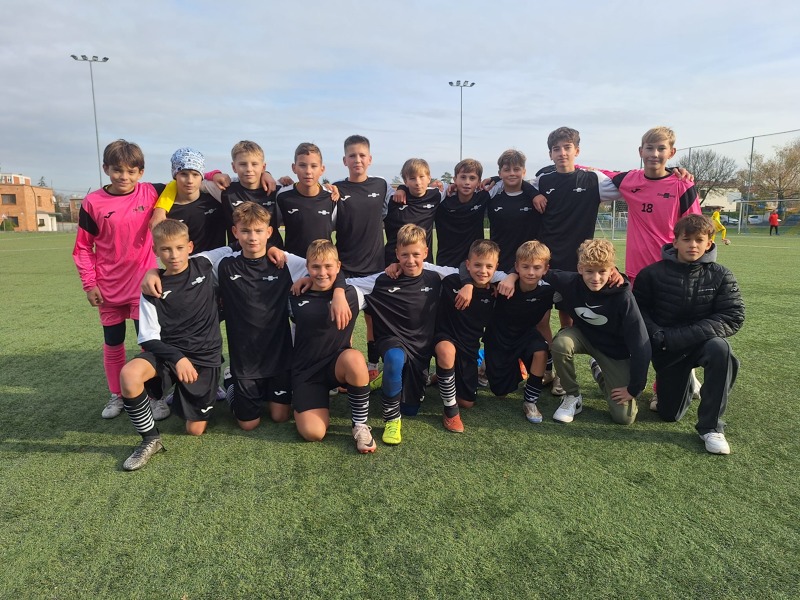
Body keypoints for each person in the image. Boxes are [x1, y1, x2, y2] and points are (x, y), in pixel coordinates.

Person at [118, 220, 232, 470]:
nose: (174, 255)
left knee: (195, 429)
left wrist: (274, 250)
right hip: (170, 355)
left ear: (190, 246)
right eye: (166, 249)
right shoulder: (152, 288)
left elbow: (238, 245)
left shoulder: (205, 263)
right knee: (129, 374)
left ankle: (214, 385)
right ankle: (150, 440)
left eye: (179, 248)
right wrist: (178, 358)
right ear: (156, 251)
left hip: (204, 356)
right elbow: (147, 337)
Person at [72, 139, 170, 421]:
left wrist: (212, 174)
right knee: (113, 344)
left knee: (149, 344)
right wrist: (90, 284)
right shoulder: (93, 202)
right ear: (106, 169)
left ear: (141, 172)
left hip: (144, 285)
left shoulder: (151, 191)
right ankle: (117, 394)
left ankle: (154, 396)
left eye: (131, 171)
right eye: (117, 170)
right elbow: (83, 247)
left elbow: (183, 180)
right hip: (109, 288)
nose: (124, 177)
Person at [634, 214, 745, 455]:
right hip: (668, 349)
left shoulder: (721, 275)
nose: (693, 245)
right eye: (686, 239)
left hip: (700, 345)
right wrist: (658, 335)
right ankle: (686, 383)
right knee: (669, 415)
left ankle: (711, 428)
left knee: (721, 349)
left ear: (709, 243)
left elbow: (732, 316)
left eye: (699, 240)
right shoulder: (651, 274)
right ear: (675, 242)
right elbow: (638, 312)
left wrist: (681, 336)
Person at [518, 238, 650, 425]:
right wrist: (511, 276)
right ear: (580, 269)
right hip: (583, 336)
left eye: (602, 271)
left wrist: (634, 388)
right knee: (561, 344)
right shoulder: (569, 281)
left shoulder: (623, 296)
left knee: (624, 417)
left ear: (612, 270)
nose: (595, 278)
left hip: (612, 349)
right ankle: (572, 396)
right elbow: (534, 270)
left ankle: (600, 373)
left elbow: (641, 345)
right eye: (589, 271)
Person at [347, 224, 445, 445]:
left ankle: (389, 379)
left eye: (416, 254)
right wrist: (330, 287)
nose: (410, 260)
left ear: (426, 253)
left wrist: (470, 285)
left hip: (420, 347)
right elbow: (347, 283)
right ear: (397, 254)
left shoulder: (435, 278)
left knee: (411, 409)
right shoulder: (382, 279)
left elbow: (465, 273)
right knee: (393, 358)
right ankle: (392, 419)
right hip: (391, 339)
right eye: (404, 255)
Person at [290, 240, 375, 453]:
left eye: (328, 266)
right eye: (315, 267)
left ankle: (360, 425)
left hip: (336, 366)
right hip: (307, 372)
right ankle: (305, 398)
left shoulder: (353, 294)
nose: (322, 273)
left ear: (338, 266)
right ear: (307, 267)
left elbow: (383, 282)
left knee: (355, 359)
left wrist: (339, 291)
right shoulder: (295, 294)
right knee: (313, 433)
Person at [331, 135, 395, 386]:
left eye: (361, 155)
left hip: (375, 269)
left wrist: (402, 189)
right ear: (344, 160)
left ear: (370, 159)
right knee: (344, 322)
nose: (357, 160)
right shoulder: (336, 189)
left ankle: (372, 366)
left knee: (373, 319)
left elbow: (404, 194)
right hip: (346, 269)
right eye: (352, 156)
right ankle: (344, 369)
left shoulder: (381, 185)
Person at [608, 126, 701, 284]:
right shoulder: (628, 180)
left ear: (671, 152)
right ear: (641, 151)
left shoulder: (683, 184)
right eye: (649, 148)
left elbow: (698, 230)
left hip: (671, 269)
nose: (654, 154)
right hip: (636, 271)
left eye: (661, 148)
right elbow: (595, 172)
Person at [483, 241, 556, 424]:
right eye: (525, 267)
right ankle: (487, 366)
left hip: (526, 335)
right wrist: (510, 277)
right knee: (500, 392)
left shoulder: (548, 289)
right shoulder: (501, 279)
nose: (531, 272)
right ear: (516, 266)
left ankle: (530, 401)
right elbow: (465, 269)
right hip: (498, 337)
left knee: (540, 350)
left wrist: (551, 357)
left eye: (537, 267)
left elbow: (543, 324)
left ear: (545, 269)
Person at [433, 240, 502, 432]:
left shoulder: (495, 292)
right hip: (443, 337)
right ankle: (450, 411)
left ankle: (443, 376)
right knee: (446, 351)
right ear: (468, 264)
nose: (483, 271)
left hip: (469, 347)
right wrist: (396, 265)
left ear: (496, 268)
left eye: (489, 267)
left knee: (467, 402)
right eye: (477, 265)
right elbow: (422, 265)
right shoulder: (450, 279)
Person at [276, 143, 335, 256]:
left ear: (322, 169)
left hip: (322, 263)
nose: (308, 171)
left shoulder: (331, 197)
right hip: (293, 263)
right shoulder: (283, 196)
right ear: (294, 168)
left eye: (314, 166)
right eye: (302, 165)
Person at [383, 158, 441, 265]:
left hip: (422, 264)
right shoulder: (393, 200)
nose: (418, 182)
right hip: (393, 263)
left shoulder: (436, 195)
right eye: (412, 178)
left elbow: (457, 186)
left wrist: (453, 186)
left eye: (421, 177)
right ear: (405, 181)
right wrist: (401, 188)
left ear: (429, 178)